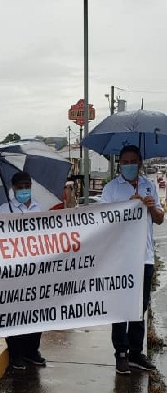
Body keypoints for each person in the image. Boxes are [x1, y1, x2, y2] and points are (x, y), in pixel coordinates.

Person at [100, 145, 164, 375]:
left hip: (144, 256)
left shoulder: (149, 186)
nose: (128, 165)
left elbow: (159, 219)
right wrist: (128, 205)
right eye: (124, 161)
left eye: (133, 161)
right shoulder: (110, 189)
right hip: (121, 258)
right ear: (119, 164)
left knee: (140, 305)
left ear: (139, 163)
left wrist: (148, 207)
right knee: (120, 306)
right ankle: (121, 352)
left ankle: (137, 352)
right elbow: (103, 222)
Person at [0, 171, 47, 370]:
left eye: (27, 186)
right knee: (15, 313)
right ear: (13, 189)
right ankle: (16, 353)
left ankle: (32, 351)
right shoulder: (3, 210)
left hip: (35, 269)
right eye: (20, 187)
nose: (24, 190)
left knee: (36, 312)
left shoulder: (39, 208)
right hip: (13, 270)